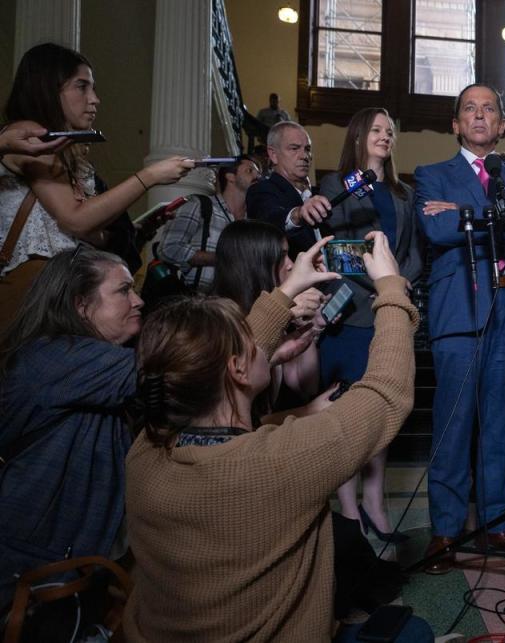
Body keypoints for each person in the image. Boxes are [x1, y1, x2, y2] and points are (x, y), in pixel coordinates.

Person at [123, 233, 422, 641]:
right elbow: (386, 394)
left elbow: (223, 360)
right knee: (412, 632)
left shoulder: (146, 447)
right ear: (238, 369)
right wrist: (391, 289)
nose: (260, 342)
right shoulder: (283, 460)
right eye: (249, 341)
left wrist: (288, 288)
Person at [415, 83, 505, 573]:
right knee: (452, 427)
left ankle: (496, 521)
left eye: (488, 109)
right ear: (455, 124)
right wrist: (492, 219)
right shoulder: (432, 175)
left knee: (501, 424)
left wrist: (467, 216)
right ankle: (446, 531)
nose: (478, 116)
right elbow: (436, 230)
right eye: (468, 110)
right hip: (459, 315)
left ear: (502, 124)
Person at [0, 43, 191, 330]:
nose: (95, 100)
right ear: (49, 88)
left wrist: (133, 231)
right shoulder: (27, 136)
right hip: (34, 293)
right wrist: (149, 177)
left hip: (62, 290)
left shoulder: (66, 151)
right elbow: (75, 219)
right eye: (82, 87)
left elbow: (77, 229)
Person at [0, 249, 143, 605]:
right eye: (124, 291)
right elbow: (169, 370)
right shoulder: (54, 357)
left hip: (56, 571)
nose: (138, 300)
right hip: (27, 571)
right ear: (81, 305)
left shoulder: (76, 359)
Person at [317, 107, 422, 541]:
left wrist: (398, 286)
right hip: (352, 315)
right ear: (359, 135)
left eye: (390, 131)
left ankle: (376, 506)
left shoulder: (402, 193)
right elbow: (338, 251)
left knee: (380, 416)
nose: (385, 136)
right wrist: (382, 286)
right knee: (349, 417)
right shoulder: (334, 186)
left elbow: (413, 251)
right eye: (377, 129)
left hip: (389, 316)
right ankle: (349, 513)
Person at [213, 219, 328, 403]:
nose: (290, 264)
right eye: (281, 256)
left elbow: (304, 385)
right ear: (255, 263)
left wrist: (308, 325)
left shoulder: (279, 314)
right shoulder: (221, 325)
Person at [158, 156, 261, 292]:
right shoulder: (199, 205)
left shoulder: (252, 221)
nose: (258, 177)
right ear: (230, 176)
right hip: (192, 301)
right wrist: (223, 258)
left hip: (230, 304)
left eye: (259, 174)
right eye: (250, 171)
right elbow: (168, 249)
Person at [247, 121, 332, 256]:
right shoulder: (261, 191)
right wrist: (298, 214)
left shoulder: (318, 194)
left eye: (307, 149)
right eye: (294, 148)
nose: (305, 156)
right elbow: (270, 218)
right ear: (273, 154)